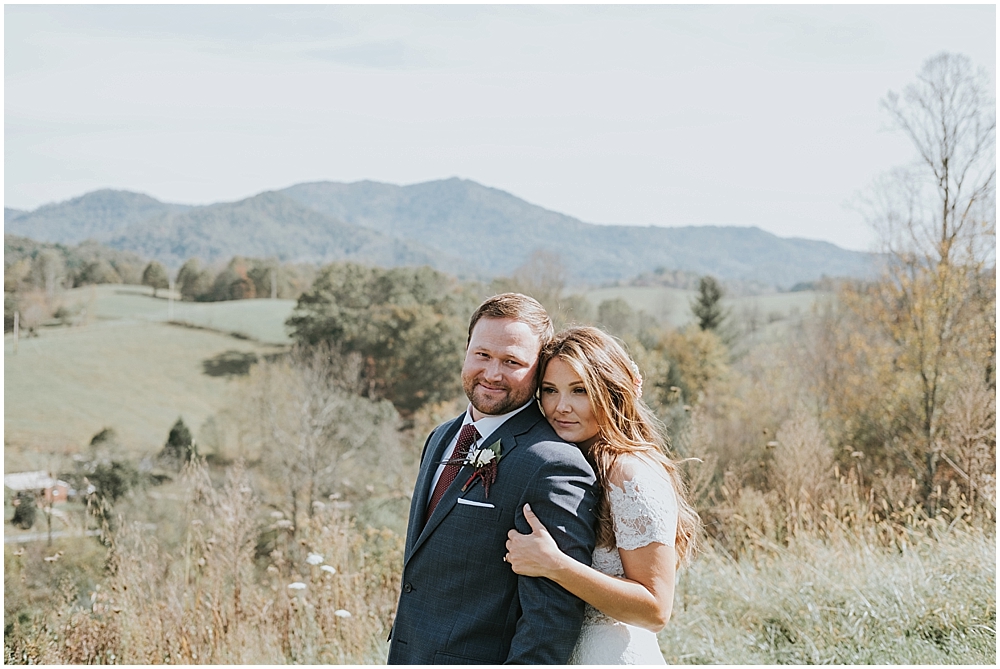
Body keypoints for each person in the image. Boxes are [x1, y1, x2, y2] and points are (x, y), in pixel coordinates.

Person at [387, 293, 599, 665]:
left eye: (512, 362)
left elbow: (549, 621)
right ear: (467, 350)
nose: (492, 373)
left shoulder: (553, 463)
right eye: (482, 355)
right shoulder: (440, 437)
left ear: (538, 371)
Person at [505, 326, 701, 664]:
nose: (561, 407)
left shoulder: (629, 473)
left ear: (611, 392)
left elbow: (655, 609)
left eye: (579, 390)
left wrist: (554, 565)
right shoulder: (574, 463)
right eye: (550, 390)